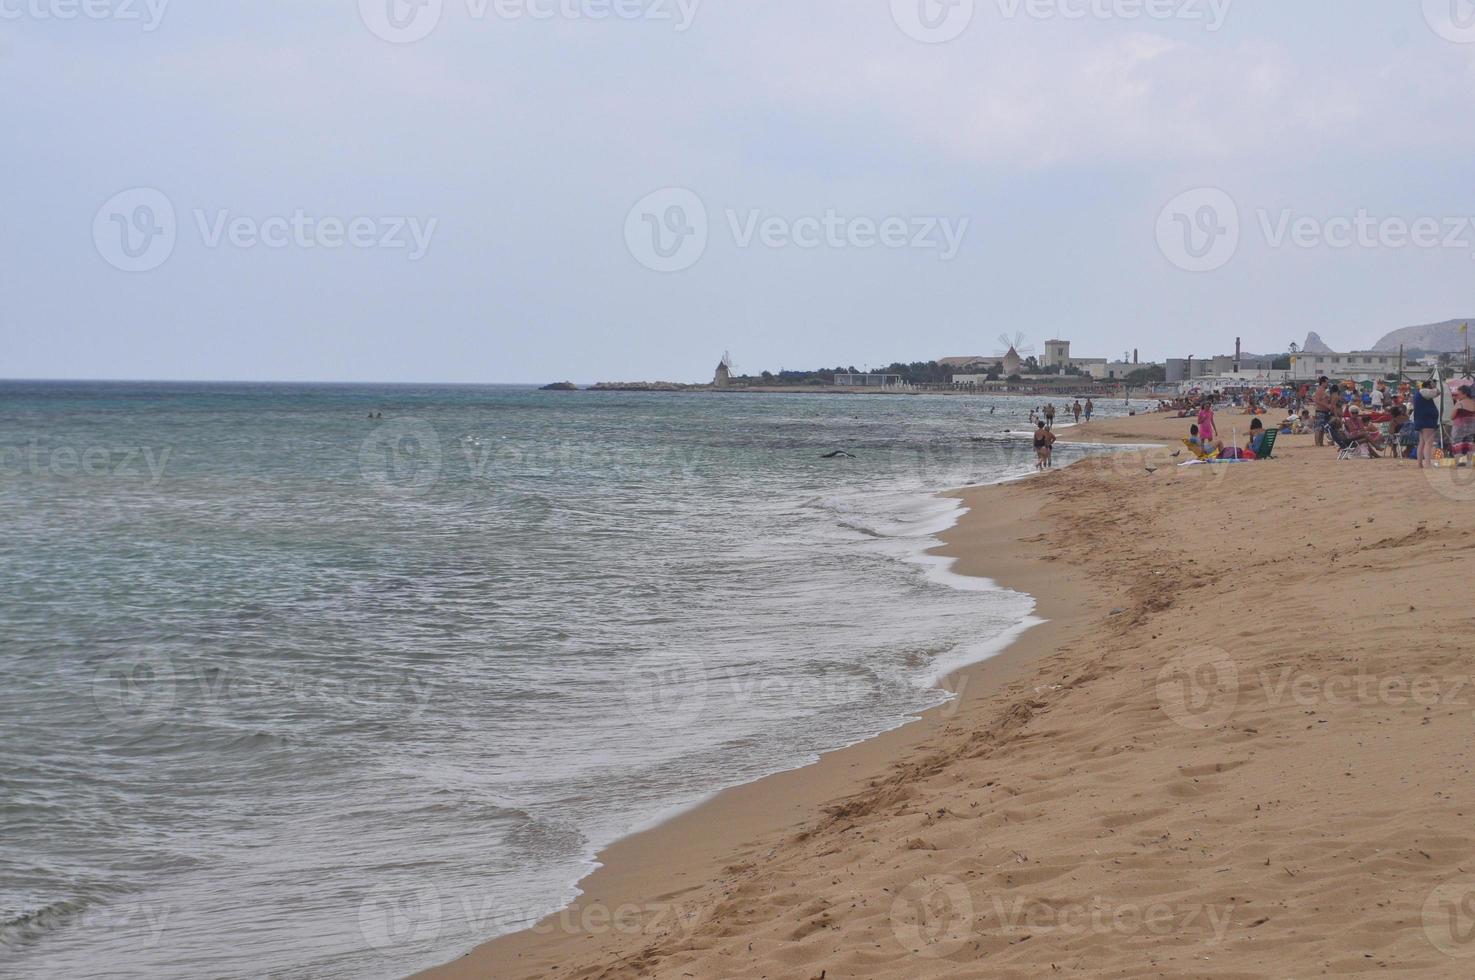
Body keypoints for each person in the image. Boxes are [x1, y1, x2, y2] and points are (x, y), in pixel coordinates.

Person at [1414, 380, 1441, 468]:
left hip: (1422, 420)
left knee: (1422, 443)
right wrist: (1434, 386)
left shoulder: (1419, 392)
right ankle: (1428, 464)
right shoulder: (1424, 391)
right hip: (1427, 420)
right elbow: (1437, 392)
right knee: (1428, 443)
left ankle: (1420, 463)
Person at [1450, 385, 1475, 459]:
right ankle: (1469, 463)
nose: (1457, 396)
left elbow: (1452, 416)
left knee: (1457, 444)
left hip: (1459, 428)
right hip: (1471, 427)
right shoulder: (1473, 402)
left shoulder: (1459, 404)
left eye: (1458, 394)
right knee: (1469, 444)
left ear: (1465, 394)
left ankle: (1458, 462)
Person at [1312, 377, 1334, 447]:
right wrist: (1327, 405)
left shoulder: (1324, 391)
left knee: (1322, 428)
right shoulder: (1319, 390)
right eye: (1327, 382)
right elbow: (1317, 400)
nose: (1328, 384)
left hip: (1325, 411)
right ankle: (1317, 443)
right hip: (1320, 411)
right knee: (1318, 428)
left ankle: (1320, 443)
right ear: (1323, 382)